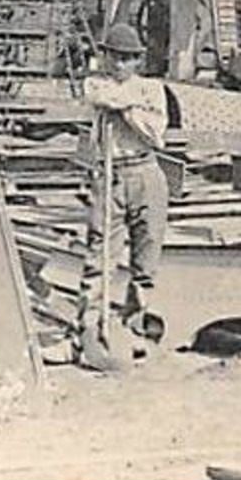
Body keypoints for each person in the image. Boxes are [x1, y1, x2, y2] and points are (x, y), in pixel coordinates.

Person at [78, 22, 170, 372]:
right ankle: (87, 333)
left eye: (129, 59)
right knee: (99, 256)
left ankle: (136, 328)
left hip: (146, 173)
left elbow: (155, 135)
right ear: (105, 57)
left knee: (146, 260)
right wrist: (130, 104)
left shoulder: (153, 89)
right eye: (115, 57)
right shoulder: (96, 83)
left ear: (137, 61)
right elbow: (98, 95)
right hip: (110, 175)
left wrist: (125, 108)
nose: (121, 64)